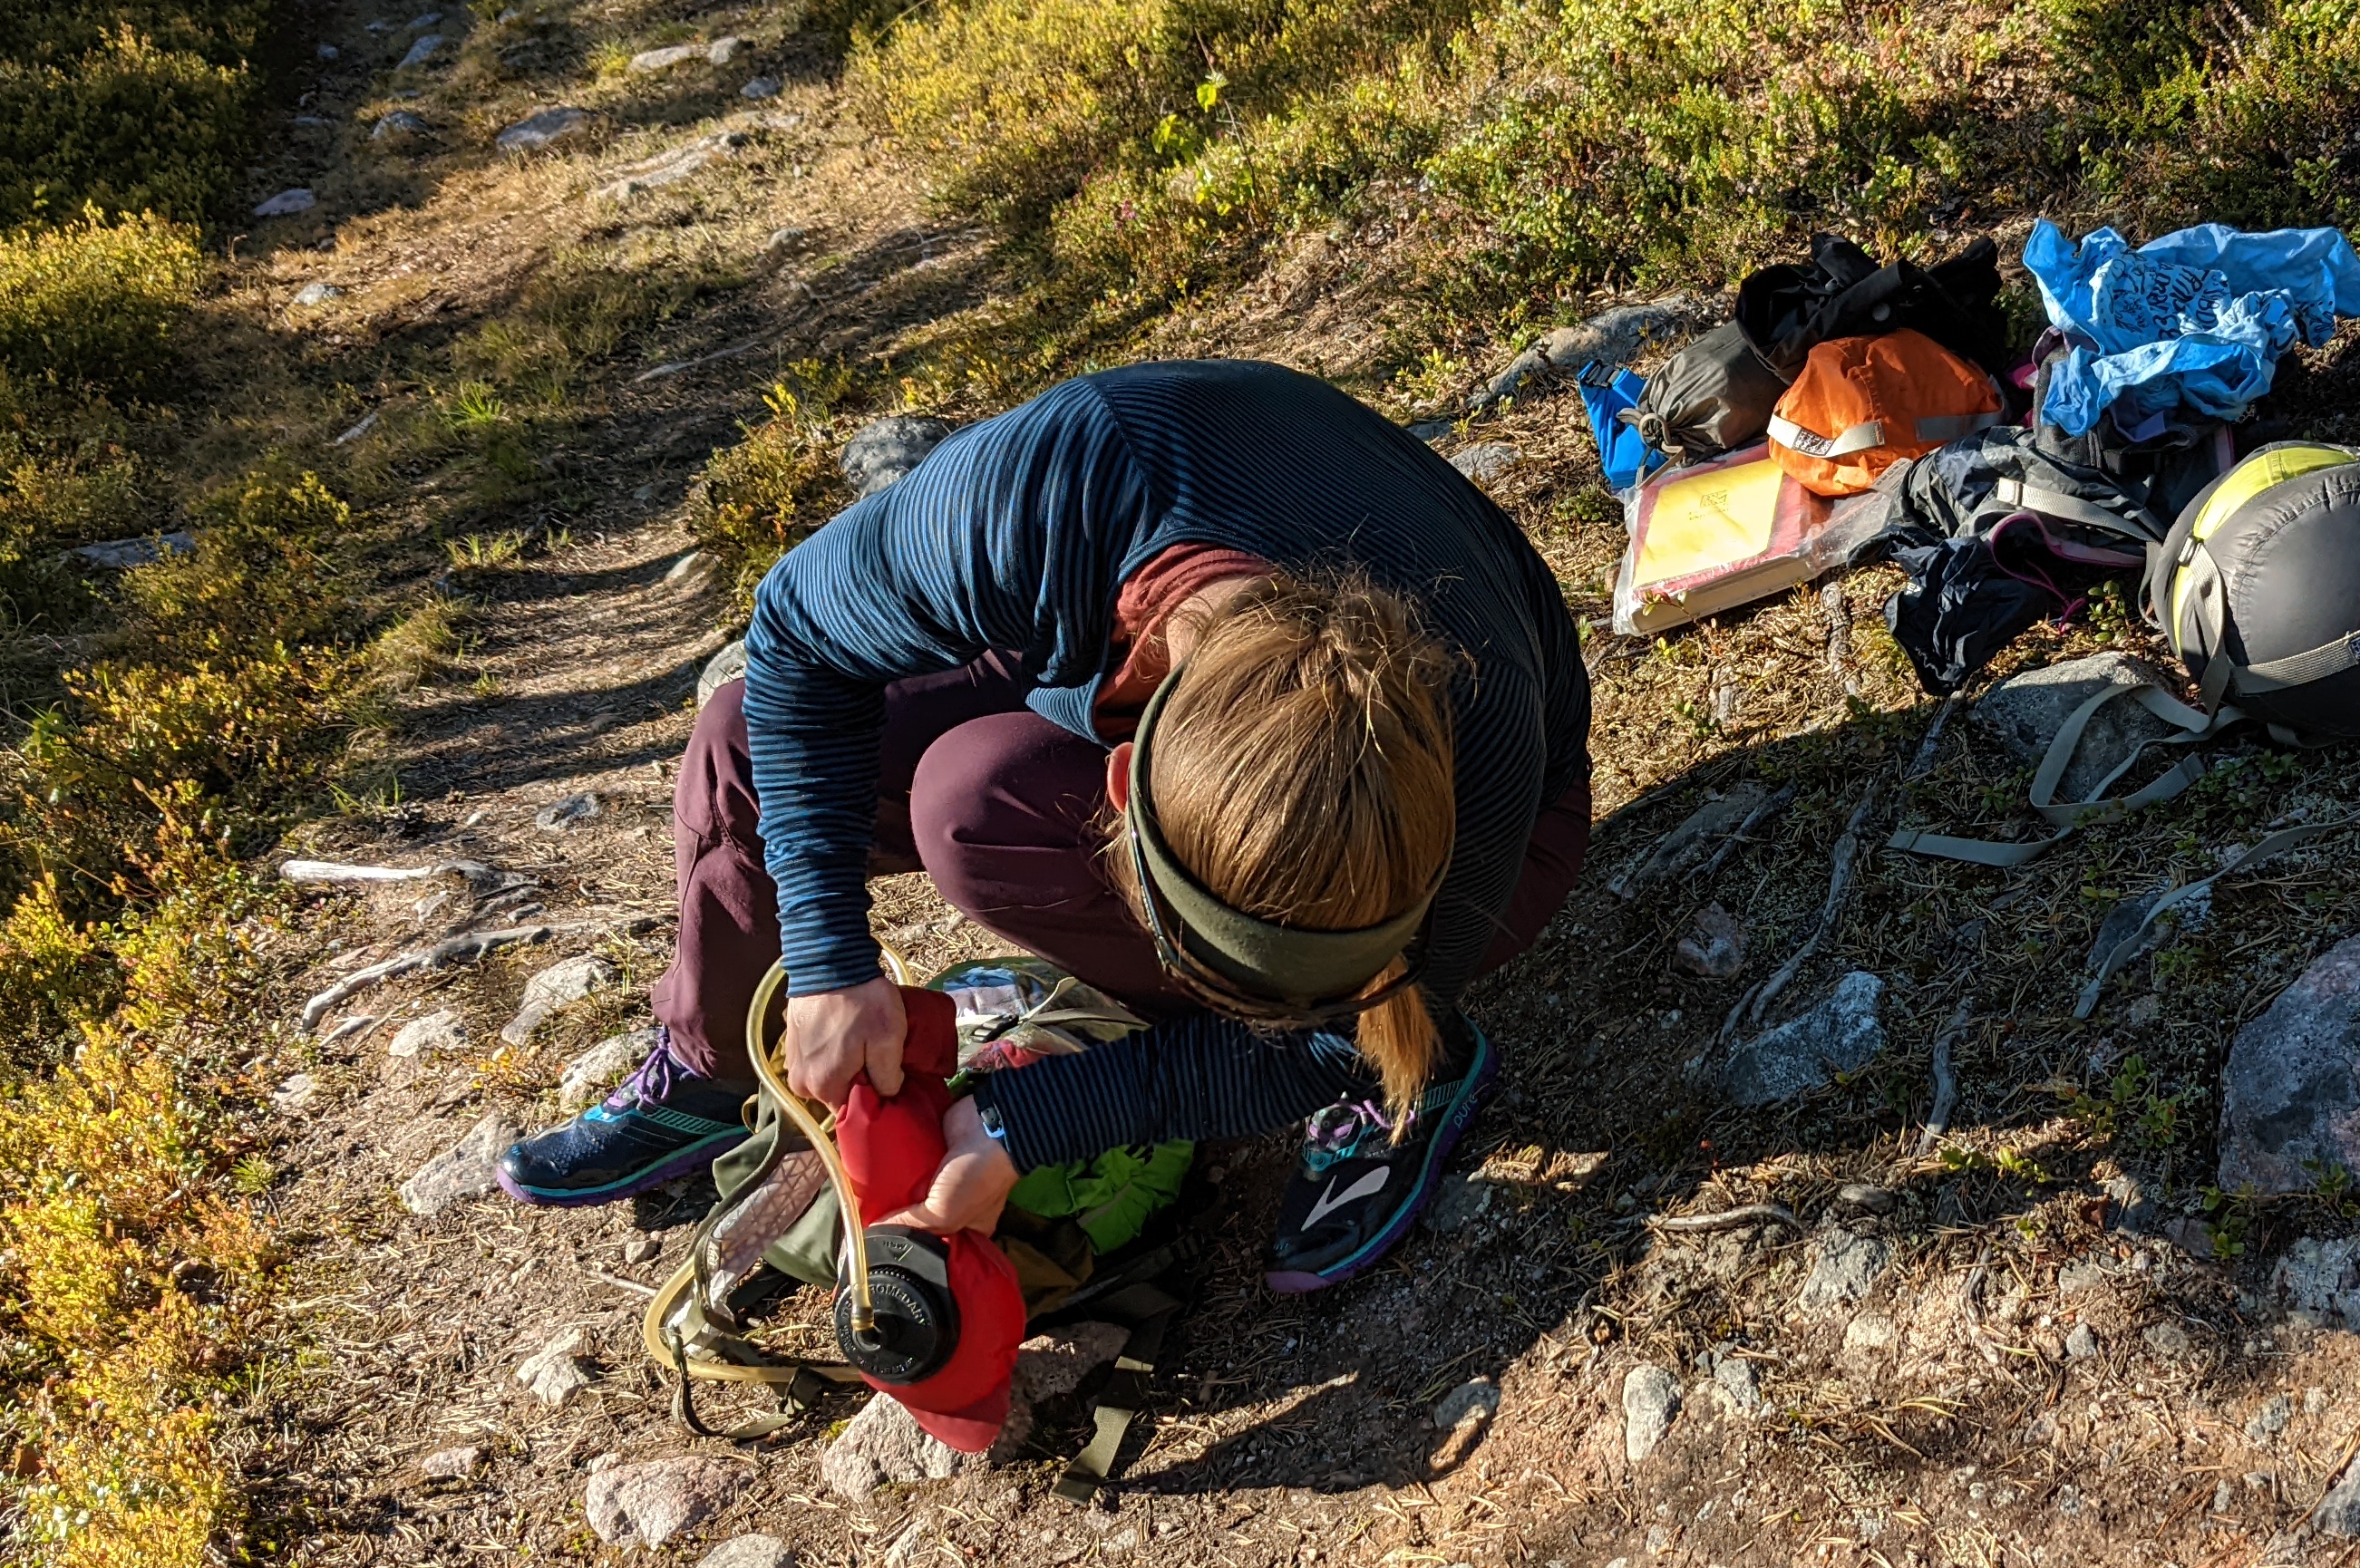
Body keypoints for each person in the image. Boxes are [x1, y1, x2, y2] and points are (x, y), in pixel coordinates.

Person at [497, 357, 1592, 1293]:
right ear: (1118, 786)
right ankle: (708, 1064)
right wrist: (828, 959)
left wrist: (1033, 1122)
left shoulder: (1467, 725)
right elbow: (794, 640)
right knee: (743, 738)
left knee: (972, 801)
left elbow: (1323, 1029)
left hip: (1505, 849)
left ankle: (1412, 1069)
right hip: (1113, 608)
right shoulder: (1051, 494)